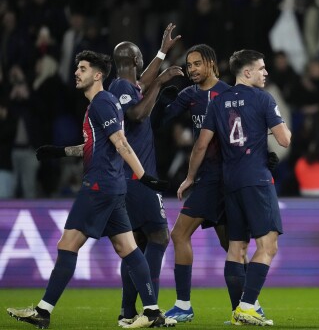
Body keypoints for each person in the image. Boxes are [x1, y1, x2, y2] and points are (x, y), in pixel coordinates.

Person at [6, 50, 173, 329]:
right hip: (112, 186)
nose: (76, 72)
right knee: (129, 249)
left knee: (67, 245)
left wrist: (143, 177)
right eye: (77, 68)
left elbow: (121, 143)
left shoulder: (102, 102)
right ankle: (153, 311)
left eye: (82, 68)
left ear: (97, 75)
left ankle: (43, 312)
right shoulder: (100, 104)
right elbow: (95, 146)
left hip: (98, 186)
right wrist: (60, 151)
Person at [177, 49, 291, 326]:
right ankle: (248, 306)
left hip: (230, 183)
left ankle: (237, 314)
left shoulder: (217, 102)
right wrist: (272, 126)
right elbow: (285, 140)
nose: (266, 72)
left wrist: (190, 177)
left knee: (236, 248)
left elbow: (201, 144)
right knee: (268, 245)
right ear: (247, 72)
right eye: (262, 68)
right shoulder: (263, 98)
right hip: (257, 180)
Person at [108, 23, 183, 326]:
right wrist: (162, 83)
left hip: (127, 178)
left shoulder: (124, 86)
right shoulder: (119, 88)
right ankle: (151, 309)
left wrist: (162, 52)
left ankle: (128, 312)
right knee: (159, 237)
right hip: (137, 178)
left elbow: (141, 86)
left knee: (136, 245)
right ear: (135, 62)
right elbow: (138, 113)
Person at [153, 44, 230, 323]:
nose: (192, 69)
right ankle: (249, 305)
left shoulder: (229, 94)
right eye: (189, 66)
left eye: (197, 63)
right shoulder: (189, 95)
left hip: (217, 178)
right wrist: (162, 99)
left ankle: (184, 305)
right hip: (210, 178)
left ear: (210, 62)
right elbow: (160, 122)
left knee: (179, 234)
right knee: (229, 244)